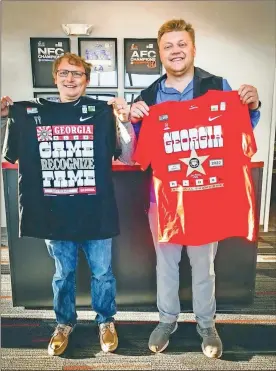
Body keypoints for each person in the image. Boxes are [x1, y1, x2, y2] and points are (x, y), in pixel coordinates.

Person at [129, 19, 261, 358]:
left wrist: (253, 106)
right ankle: (166, 321)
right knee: (166, 264)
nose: (176, 51)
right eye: (168, 46)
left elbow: (241, 131)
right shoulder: (147, 96)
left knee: (204, 266)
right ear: (160, 53)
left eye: (181, 44)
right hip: (164, 198)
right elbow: (134, 153)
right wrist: (131, 120)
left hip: (208, 194)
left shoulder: (217, 85)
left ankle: (206, 324)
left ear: (192, 48)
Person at [1, 53, 132, 356]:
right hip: (54, 212)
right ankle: (64, 323)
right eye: (64, 73)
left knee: (102, 272)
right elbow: (9, 155)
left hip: (95, 210)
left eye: (77, 74)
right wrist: (3, 118)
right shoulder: (26, 113)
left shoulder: (101, 112)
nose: (70, 78)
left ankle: (106, 321)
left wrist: (122, 119)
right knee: (63, 274)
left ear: (86, 80)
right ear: (55, 77)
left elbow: (125, 153)